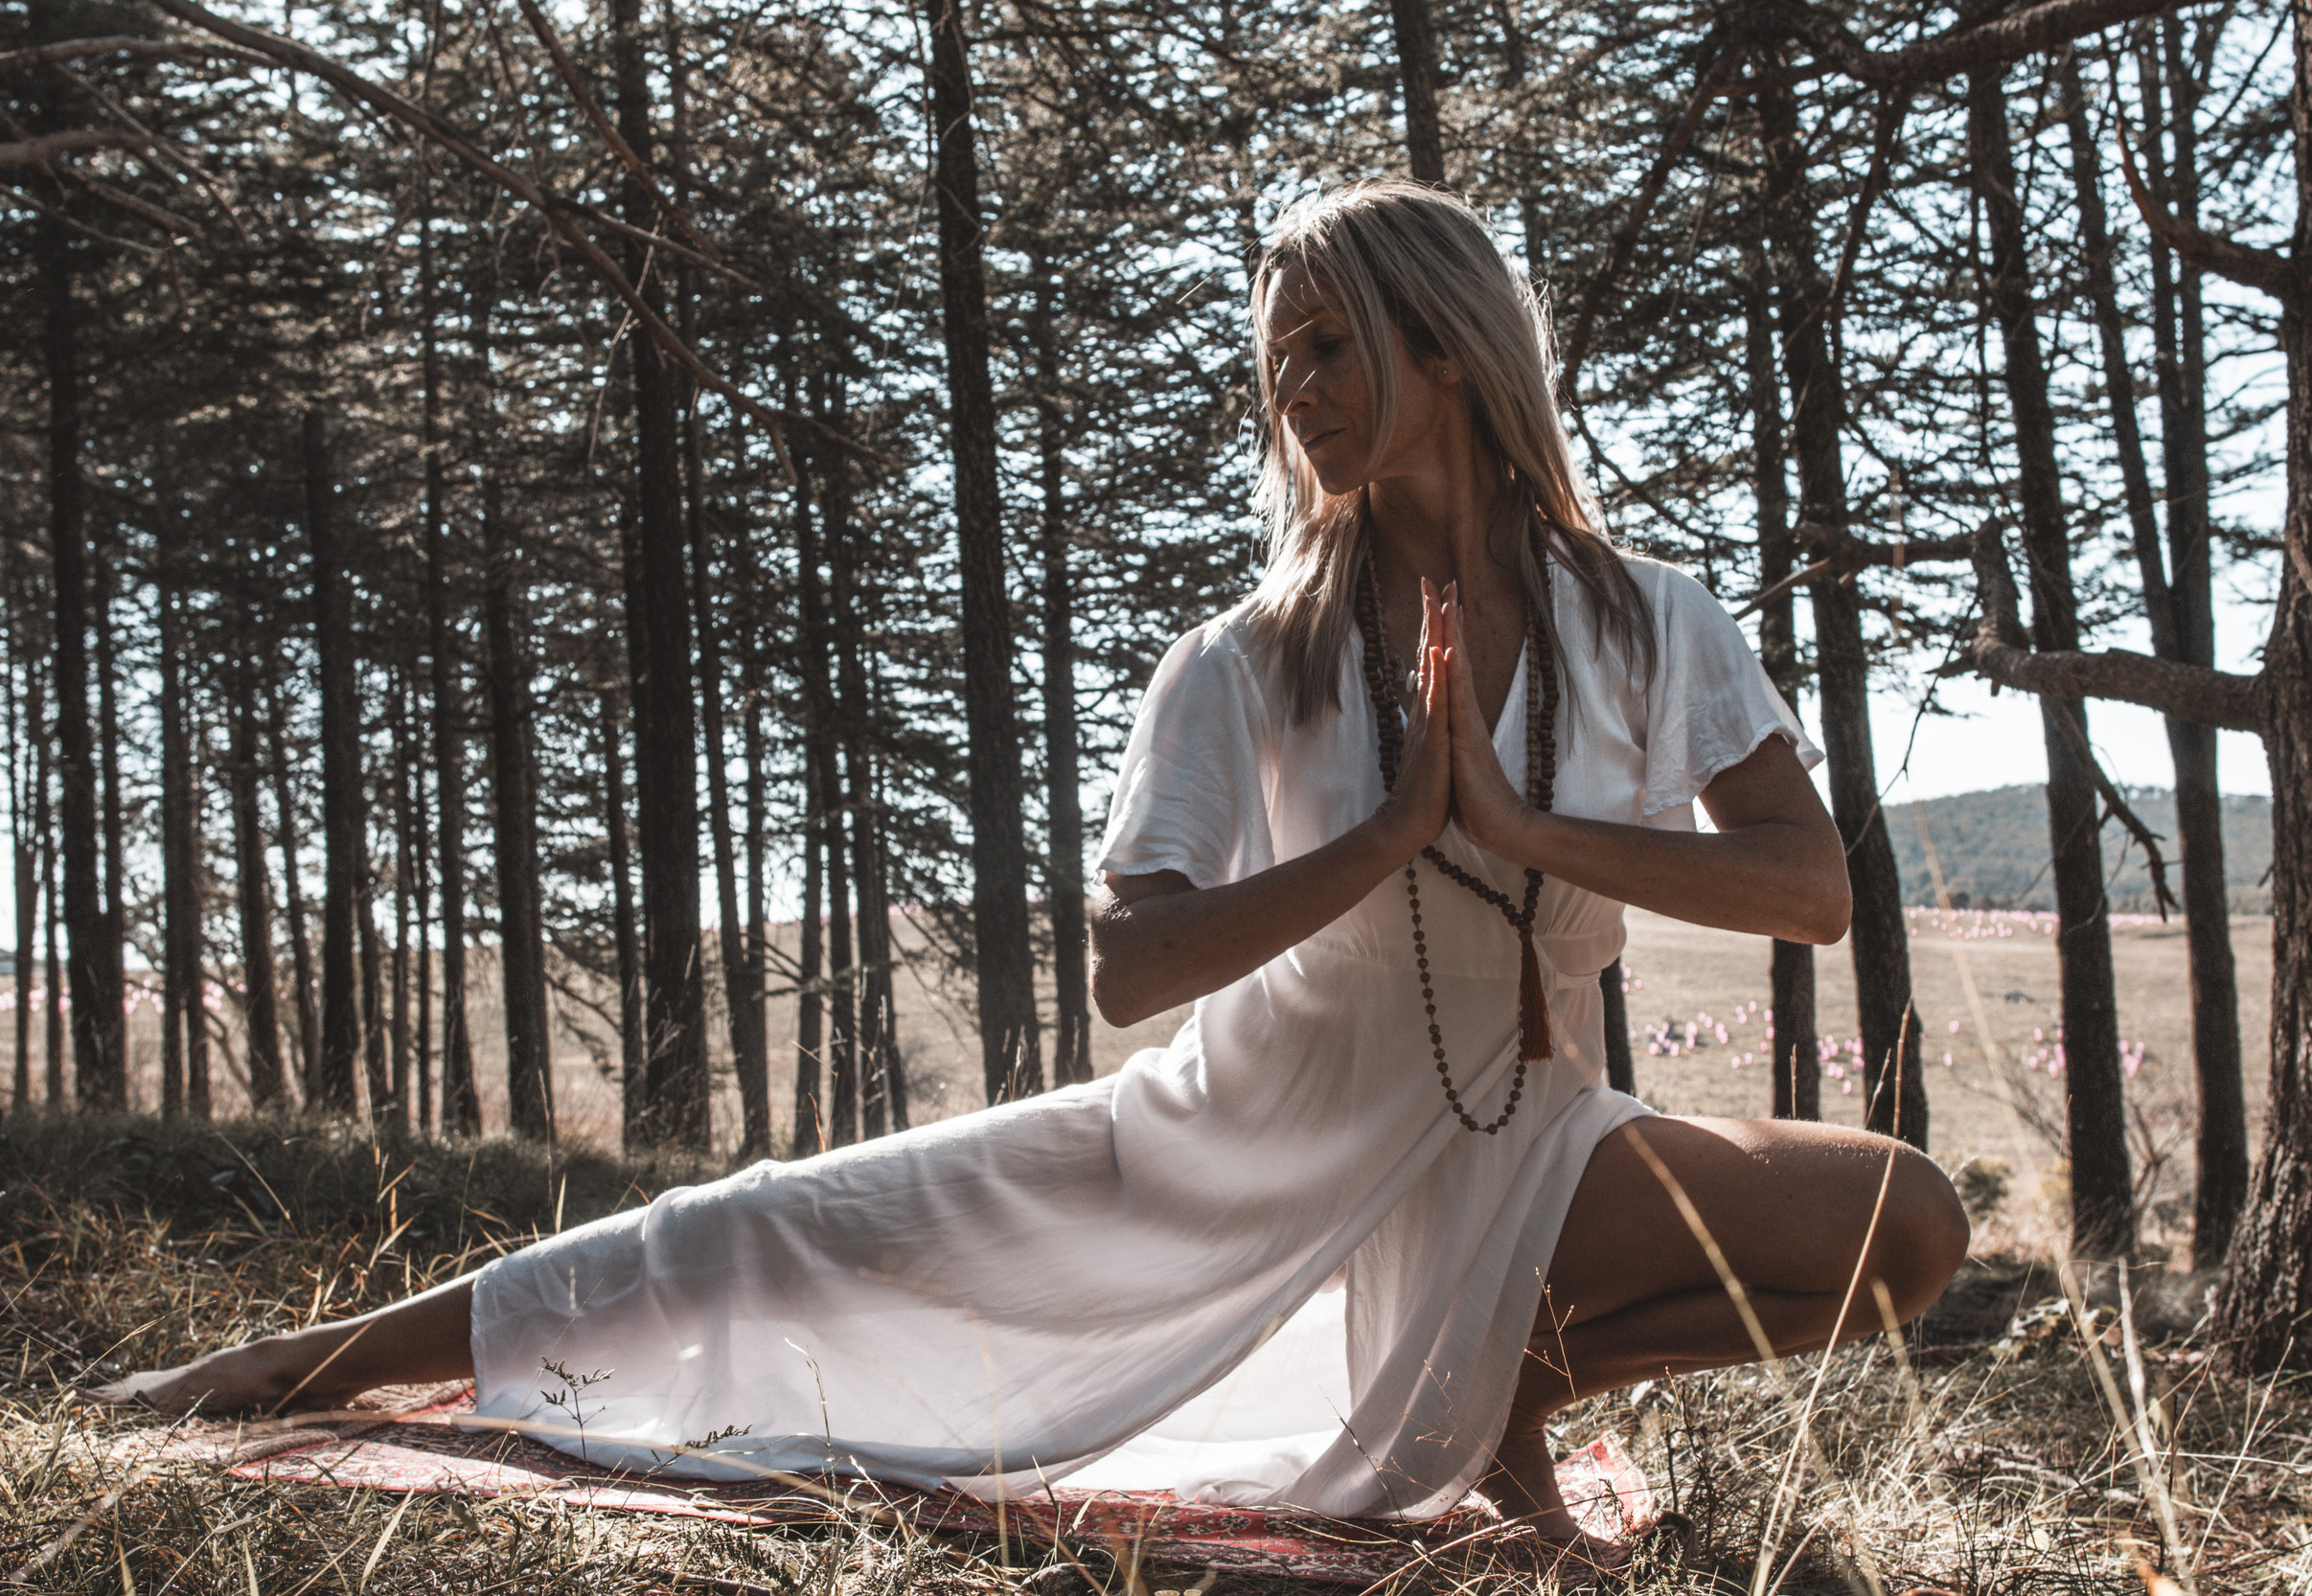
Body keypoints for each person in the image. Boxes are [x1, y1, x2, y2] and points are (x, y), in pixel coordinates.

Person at [92, 180, 1966, 1544]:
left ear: (1449, 346)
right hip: (1222, 1151)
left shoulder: (1644, 618)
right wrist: (1392, 835)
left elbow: (1807, 884)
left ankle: (1505, 1391)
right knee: (764, 1226)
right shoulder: (1243, 663)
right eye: (1277, 360)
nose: (1295, 390)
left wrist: (1527, 831)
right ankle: (308, 1356)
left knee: (1908, 1227)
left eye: (1330, 345)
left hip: (1528, 1143)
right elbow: (1130, 972)